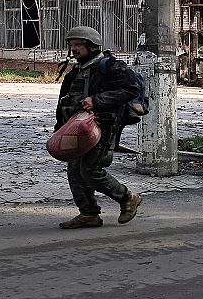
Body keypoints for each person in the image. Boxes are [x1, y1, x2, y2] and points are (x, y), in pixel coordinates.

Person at [55, 26, 143, 229]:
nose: (73, 48)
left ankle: (127, 198)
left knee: (90, 170)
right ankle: (89, 214)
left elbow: (131, 89)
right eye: (71, 44)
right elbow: (65, 101)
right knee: (75, 171)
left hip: (101, 127)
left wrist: (97, 100)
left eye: (78, 44)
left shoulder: (109, 66)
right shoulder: (78, 69)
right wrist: (60, 127)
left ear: (91, 45)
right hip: (75, 127)